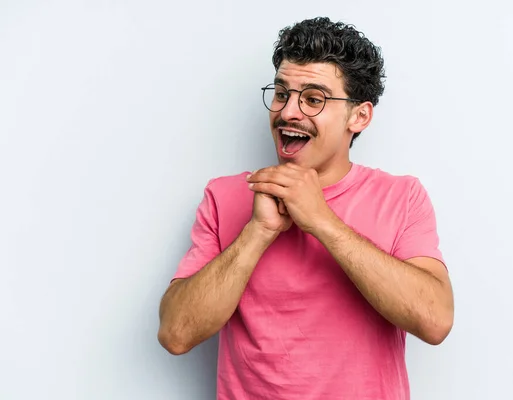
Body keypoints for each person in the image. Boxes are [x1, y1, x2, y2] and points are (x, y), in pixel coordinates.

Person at [158, 16, 454, 400]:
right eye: (282, 93)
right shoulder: (224, 195)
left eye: (313, 99)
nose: (288, 113)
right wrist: (257, 233)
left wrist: (322, 221)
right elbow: (175, 334)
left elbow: (435, 322)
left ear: (359, 116)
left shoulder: (401, 197)